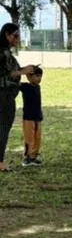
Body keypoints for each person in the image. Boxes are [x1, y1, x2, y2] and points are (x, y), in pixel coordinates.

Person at [0, 23, 37, 172]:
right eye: (15, 36)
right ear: (6, 35)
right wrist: (23, 71)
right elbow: (6, 74)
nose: (17, 39)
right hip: (4, 96)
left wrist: (23, 70)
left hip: (6, 95)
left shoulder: (5, 52)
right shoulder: (3, 53)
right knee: (3, 128)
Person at [20, 67, 44, 166]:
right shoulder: (25, 86)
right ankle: (27, 157)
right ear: (29, 77)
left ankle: (34, 156)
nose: (39, 79)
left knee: (37, 138)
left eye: (40, 76)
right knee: (29, 138)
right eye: (36, 76)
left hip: (38, 117)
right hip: (28, 117)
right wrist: (24, 71)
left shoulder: (38, 87)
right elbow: (15, 81)